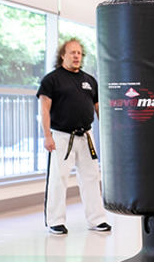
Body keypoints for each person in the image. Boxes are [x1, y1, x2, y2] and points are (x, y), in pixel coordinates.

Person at [37, 39, 111, 235]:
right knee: (58, 179)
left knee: (92, 177)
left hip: (86, 136)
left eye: (79, 53)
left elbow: (98, 109)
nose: (77, 56)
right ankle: (55, 221)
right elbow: (44, 109)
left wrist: (108, 134)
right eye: (72, 53)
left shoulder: (89, 80)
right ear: (63, 55)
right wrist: (47, 136)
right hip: (61, 137)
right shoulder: (52, 80)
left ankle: (97, 220)